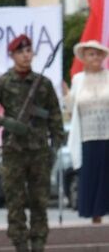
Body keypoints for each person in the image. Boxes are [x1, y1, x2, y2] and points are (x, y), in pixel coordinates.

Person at [0, 34, 65, 252]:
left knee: (39, 203)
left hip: (39, 151)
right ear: (12, 55)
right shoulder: (3, 83)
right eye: (21, 52)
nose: (26, 56)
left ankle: (38, 245)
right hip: (13, 151)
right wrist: (6, 122)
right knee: (15, 203)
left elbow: (54, 114)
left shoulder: (42, 84)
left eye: (28, 51)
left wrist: (56, 141)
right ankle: (20, 246)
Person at [66, 40, 109, 223]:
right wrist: (65, 95)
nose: (95, 58)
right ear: (84, 58)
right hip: (87, 136)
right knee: (91, 176)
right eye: (91, 54)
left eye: (99, 54)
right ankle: (95, 217)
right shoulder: (78, 80)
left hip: (107, 134)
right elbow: (71, 107)